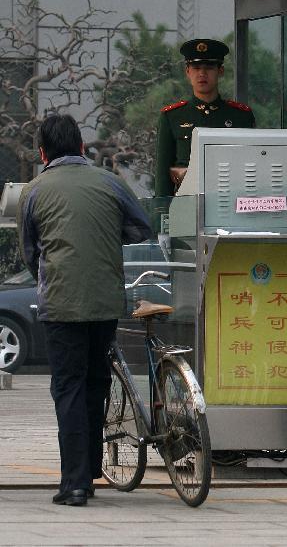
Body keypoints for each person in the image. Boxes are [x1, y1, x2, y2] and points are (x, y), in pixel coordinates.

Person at [17, 113, 152, 507]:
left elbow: (30, 252)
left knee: (68, 387)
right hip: (105, 301)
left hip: (60, 304)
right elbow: (141, 228)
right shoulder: (110, 182)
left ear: (43, 152)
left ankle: (74, 483)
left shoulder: (35, 190)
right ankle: (90, 472)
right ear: (80, 147)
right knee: (95, 384)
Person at [154, 38, 255, 196]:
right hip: (186, 204)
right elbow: (163, 175)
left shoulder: (241, 116)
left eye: (209, 67)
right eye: (196, 67)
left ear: (220, 71)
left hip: (230, 201)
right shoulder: (172, 116)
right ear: (187, 72)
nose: (202, 73)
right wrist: (162, 214)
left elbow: (251, 168)